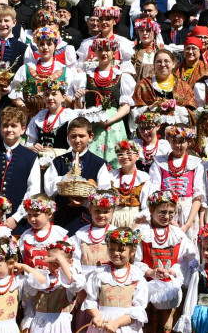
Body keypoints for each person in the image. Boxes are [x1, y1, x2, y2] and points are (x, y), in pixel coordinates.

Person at [135, 190, 197, 333]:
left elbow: (189, 262)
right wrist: (150, 272)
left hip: (169, 295)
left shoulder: (179, 235)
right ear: (151, 210)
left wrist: (175, 273)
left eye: (171, 212)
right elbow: (134, 261)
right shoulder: (142, 233)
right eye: (162, 211)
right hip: (145, 294)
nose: (167, 216)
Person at [44, 118, 111, 234]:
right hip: (60, 221)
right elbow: (48, 190)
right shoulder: (58, 161)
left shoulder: (98, 163)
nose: (77, 140)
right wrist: (66, 177)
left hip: (86, 221)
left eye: (81, 136)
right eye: (73, 136)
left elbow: (104, 195)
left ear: (90, 137)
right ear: (68, 137)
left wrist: (84, 202)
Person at [75, 38, 135, 167]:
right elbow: (81, 108)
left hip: (115, 125)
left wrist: (110, 120)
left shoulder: (122, 76)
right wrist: (79, 99)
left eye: (108, 50)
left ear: (114, 52)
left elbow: (126, 106)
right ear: (95, 52)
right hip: (92, 124)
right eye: (100, 50)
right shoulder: (86, 76)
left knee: (116, 160)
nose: (104, 53)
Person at [149, 125, 205, 239]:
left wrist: (188, 224)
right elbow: (155, 192)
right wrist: (169, 219)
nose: (178, 145)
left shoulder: (196, 164)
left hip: (188, 212)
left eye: (182, 141)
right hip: (165, 211)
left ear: (189, 142)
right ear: (169, 141)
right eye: (174, 141)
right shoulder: (159, 163)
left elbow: (198, 196)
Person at [27, 79, 78, 162]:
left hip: (61, 162)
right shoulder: (39, 117)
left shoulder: (70, 116)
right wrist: (33, 147)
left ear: (63, 97)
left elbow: (74, 144)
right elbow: (30, 141)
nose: (50, 98)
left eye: (54, 94)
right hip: (40, 161)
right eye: (47, 95)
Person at [108, 140, 154, 229]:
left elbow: (147, 207)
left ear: (137, 156)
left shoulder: (143, 178)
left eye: (129, 153)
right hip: (113, 221)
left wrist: (136, 226)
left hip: (136, 221)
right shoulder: (111, 177)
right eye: (120, 154)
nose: (124, 157)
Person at [16, 195, 72, 268]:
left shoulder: (58, 234)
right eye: (29, 215)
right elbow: (19, 257)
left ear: (49, 214)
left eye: (36, 215)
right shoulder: (27, 235)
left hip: (54, 277)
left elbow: (69, 258)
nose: (32, 219)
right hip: (30, 277)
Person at [71, 190, 117, 275]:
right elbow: (75, 258)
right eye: (97, 211)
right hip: (85, 276)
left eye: (106, 212)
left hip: (108, 275)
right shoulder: (81, 234)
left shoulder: (116, 233)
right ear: (90, 210)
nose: (101, 215)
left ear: (113, 212)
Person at [0, 5, 28, 77]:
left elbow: (26, 74)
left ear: (14, 23)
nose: (3, 24)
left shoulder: (23, 48)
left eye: (6, 20)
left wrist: (12, 87)